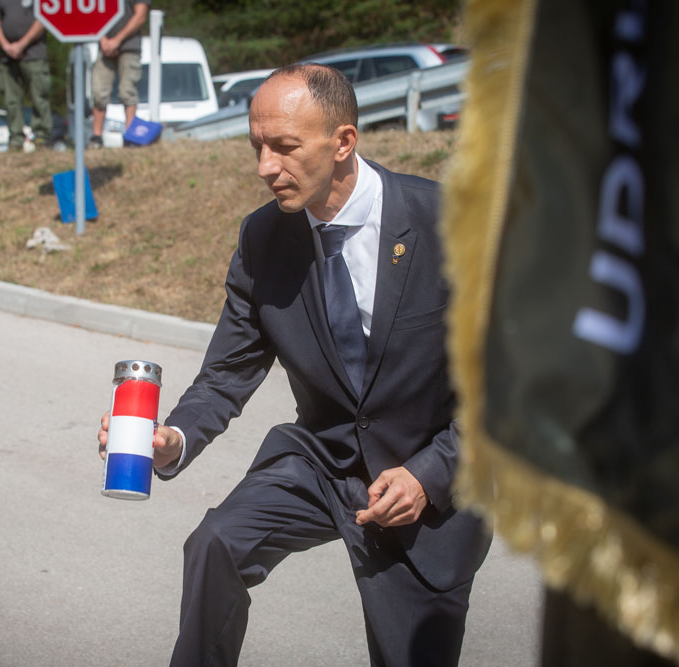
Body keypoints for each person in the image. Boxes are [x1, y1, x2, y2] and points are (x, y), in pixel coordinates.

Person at [97, 64, 491, 666]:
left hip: (428, 478)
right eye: (257, 146)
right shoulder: (263, 237)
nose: (265, 167)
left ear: (343, 142)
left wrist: (428, 475)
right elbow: (229, 371)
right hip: (322, 460)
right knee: (216, 544)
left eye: (284, 147)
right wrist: (172, 438)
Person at [0, 0, 50, 151]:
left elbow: (44, 18)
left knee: (39, 97)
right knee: (11, 100)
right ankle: (16, 139)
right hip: (8, 56)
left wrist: (22, 44)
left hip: (34, 54)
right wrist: (6, 46)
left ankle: (41, 137)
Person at [89, 0, 148, 148]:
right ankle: (97, 137)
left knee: (127, 91)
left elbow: (140, 15)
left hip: (130, 46)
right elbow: (91, 12)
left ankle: (130, 137)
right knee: (99, 92)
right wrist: (103, 39)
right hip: (104, 47)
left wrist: (117, 40)